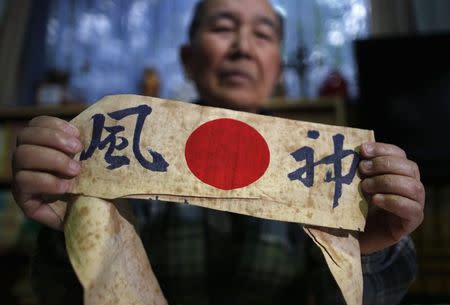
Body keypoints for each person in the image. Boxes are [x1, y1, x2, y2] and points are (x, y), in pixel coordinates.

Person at [12, 0, 424, 304]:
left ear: (277, 68)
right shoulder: (126, 152)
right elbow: (59, 293)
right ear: (188, 60)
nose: (242, 47)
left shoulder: (324, 171)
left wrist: (366, 248)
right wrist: (71, 225)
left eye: (262, 34)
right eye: (223, 27)